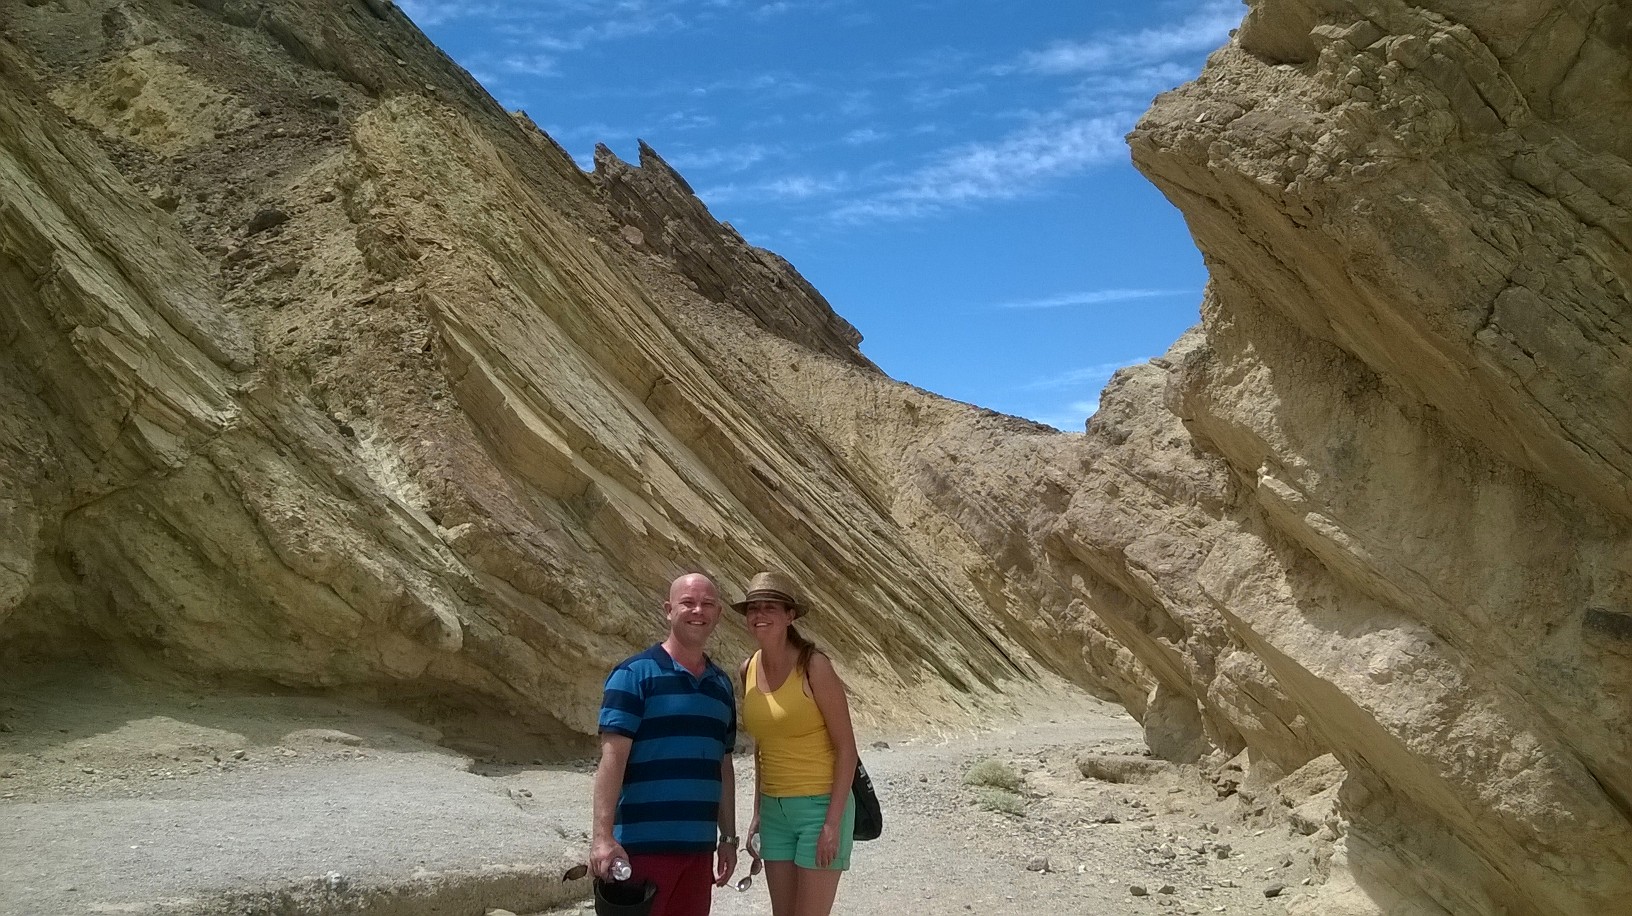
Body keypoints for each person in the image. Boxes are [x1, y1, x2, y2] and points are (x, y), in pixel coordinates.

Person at [592, 573, 740, 916]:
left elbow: (723, 766)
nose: (698, 611)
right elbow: (612, 762)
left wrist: (728, 838)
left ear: (718, 614)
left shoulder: (721, 686)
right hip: (640, 850)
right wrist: (602, 838)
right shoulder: (633, 676)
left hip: (698, 852)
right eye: (688, 603)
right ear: (668, 610)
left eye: (708, 604)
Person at [734, 570, 859, 916]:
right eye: (753, 608)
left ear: (790, 616)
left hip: (820, 807)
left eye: (770, 607)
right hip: (774, 811)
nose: (759, 615)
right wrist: (758, 812)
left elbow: (846, 749)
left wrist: (832, 824)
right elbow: (762, 748)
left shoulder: (814, 666)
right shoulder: (748, 669)